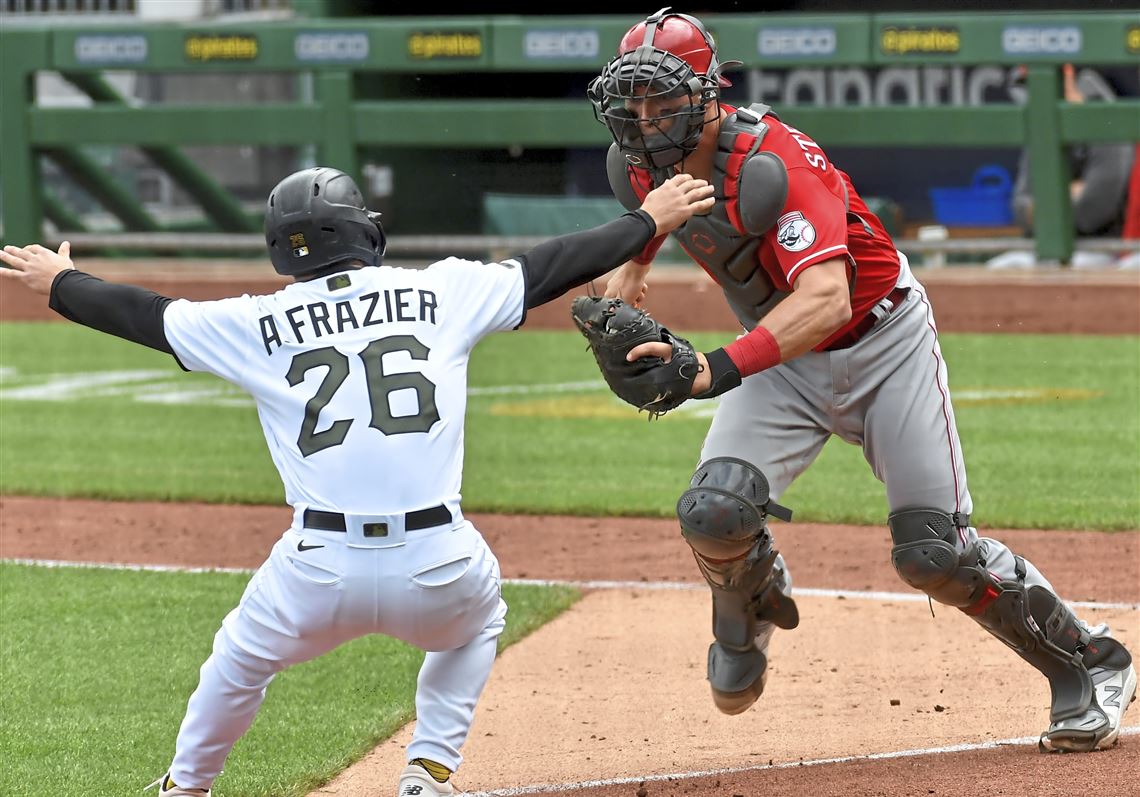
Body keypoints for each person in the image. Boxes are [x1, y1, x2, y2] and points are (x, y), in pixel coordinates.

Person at [0, 166, 713, 796]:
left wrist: (59, 282)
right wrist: (647, 221)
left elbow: (143, 315)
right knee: (481, 619)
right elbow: (553, 264)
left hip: (315, 574)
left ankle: (186, 785)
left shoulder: (252, 321)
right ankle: (428, 772)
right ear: (363, 230)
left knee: (239, 659)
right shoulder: (444, 290)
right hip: (439, 565)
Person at [586, 7, 1136, 751]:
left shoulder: (774, 161)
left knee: (934, 553)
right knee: (714, 511)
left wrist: (712, 369)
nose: (647, 119)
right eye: (635, 102)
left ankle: (1090, 662)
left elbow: (827, 299)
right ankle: (748, 597)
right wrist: (615, 318)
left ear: (711, 93)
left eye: (665, 99)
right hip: (784, 354)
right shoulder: (640, 166)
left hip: (883, 342)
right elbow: (637, 262)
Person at [992, 63, 1138, 269]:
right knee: (1003, 267)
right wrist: (1068, 194)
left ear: (1069, 81)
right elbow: (1018, 208)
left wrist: (1044, 203)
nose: (1035, 95)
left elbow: (1091, 213)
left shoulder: (1106, 127)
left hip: (1101, 249)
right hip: (1041, 247)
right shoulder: (1040, 133)